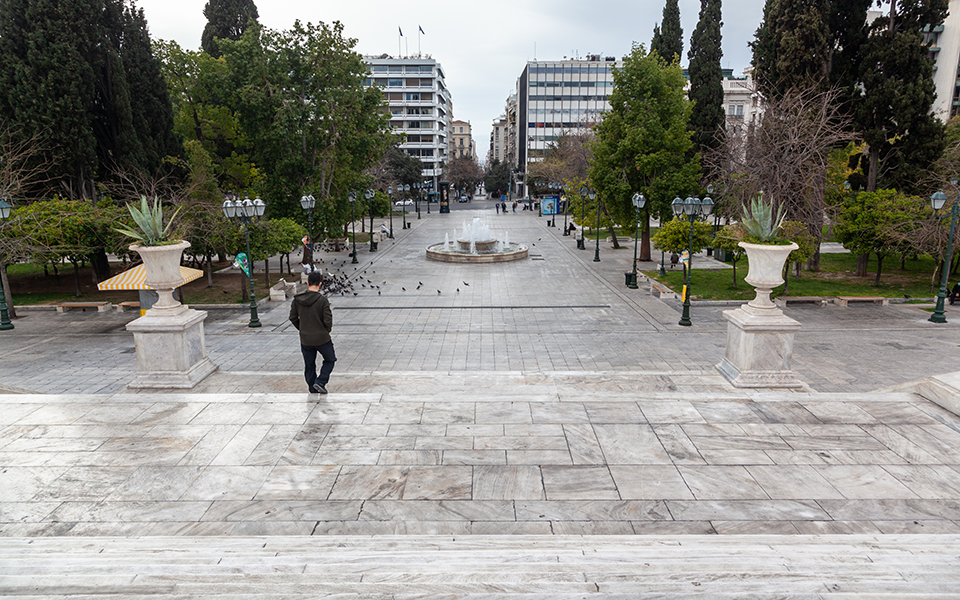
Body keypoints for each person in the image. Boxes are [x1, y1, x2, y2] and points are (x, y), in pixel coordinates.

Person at [289, 271, 335, 394]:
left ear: (307, 283)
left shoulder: (297, 300)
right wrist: (326, 330)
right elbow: (328, 320)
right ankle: (320, 382)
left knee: (309, 364)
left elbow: (292, 317)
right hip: (322, 338)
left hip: (305, 339)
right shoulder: (322, 300)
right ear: (320, 284)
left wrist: (302, 329)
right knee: (330, 359)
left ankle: (312, 388)